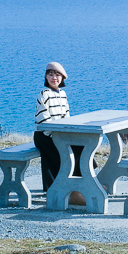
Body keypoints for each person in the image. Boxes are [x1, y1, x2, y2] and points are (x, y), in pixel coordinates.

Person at [34, 62, 88, 205]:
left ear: (62, 78)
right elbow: (44, 121)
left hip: (58, 134)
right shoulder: (44, 94)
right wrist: (60, 137)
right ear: (46, 77)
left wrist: (67, 135)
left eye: (57, 75)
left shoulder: (63, 94)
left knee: (81, 149)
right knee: (67, 153)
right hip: (44, 135)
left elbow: (66, 118)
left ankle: (84, 186)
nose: (54, 78)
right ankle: (70, 192)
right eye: (50, 74)